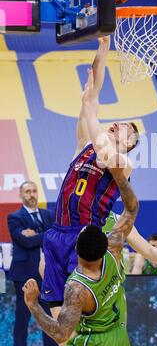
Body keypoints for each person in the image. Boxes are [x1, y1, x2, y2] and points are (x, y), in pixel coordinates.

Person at [41, 36, 139, 315]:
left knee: (76, 308)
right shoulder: (85, 144)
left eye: (126, 129)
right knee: (57, 310)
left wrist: (88, 107)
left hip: (84, 237)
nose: (118, 124)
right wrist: (103, 49)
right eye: (118, 122)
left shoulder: (124, 162)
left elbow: (102, 146)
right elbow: (93, 94)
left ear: (129, 144)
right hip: (56, 232)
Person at [23, 160, 139, 346]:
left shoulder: (77, 288)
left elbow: (61, 334)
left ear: (76, 250)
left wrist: (33, 304)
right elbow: (132, 208)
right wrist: (119, 176)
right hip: (119, 339)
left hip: (92, 345)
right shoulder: (114, 251)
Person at [7, 181, 58, 346]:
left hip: (47, 275)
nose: (32, 194)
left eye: (34, 191)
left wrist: (37, 235)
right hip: (24, 275)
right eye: (27, 191)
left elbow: (56, 237)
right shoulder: (15, 217)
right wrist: (47, 235)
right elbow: (25, 242)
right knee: (22, 318)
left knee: (49, 318)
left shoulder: (49, 215)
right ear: (21, 195)